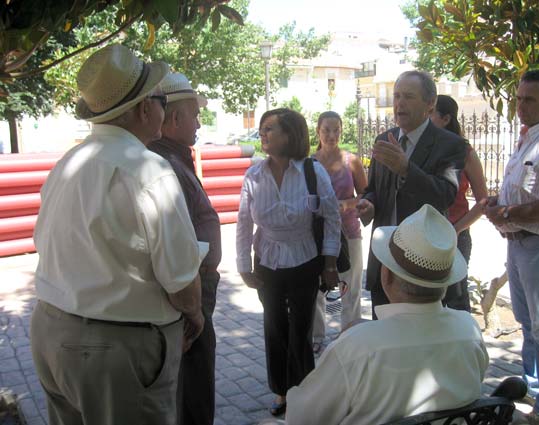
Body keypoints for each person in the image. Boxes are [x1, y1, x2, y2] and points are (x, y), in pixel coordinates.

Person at [30, 44, 208, 425]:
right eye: (160, 99)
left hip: (49, 330)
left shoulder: (67, 163)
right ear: (145, 109)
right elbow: (181, 283)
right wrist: (195, 312)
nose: (163, 109)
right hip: (116, 350)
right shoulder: (149, 170)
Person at [281, 204, 489, 425]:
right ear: (444, 284)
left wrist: (356, 339)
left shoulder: (357, 349)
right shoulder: (469, 330)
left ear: (386, 275)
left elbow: (300, 418)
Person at [236, 108, 341, 416]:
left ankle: (304, 390)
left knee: (301, 329)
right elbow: (243, 223)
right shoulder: (254, 175)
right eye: (262, 129)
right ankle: (281, 391)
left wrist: (330, 264)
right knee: (275, 326)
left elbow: (331, 217)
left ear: (290, 134)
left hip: (305, 259)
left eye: (270, 129)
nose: (263, 135)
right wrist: (243, 266)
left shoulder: (312, 171)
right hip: (267, 260)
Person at [485, 69, 539, 425]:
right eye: (518, 98)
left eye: (529, 100)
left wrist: (506, 211)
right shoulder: (528, 139)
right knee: (528, 321)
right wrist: (498, 206)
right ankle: (534, 385)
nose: (520, 106)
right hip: (517, 243)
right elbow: (524, 191)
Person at [356, 70, 467, 317]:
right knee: (384, 343)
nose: (399, 103)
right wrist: (368, 204)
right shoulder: (384, 139)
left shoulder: (450, 145)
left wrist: (407, 169)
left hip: (422, 268)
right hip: (385, 262)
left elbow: (445, 195)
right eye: (396, 96)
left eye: (408, 96)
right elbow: (372, 189)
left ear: (430, 103)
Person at [147, 72, 221, 425]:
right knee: (191, 395)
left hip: (193, 295)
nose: (199, 124)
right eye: (194, 115)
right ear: (174, 119)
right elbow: (174, 253)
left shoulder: (174, 159)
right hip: (187, 302)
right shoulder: (166, 167)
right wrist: (191, 313)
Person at [311, 111, 367, 354]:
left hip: (348, 231)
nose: (331, 135)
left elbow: (367, 194)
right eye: (326, 130)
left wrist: (347, 204)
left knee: (351, 285)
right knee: (315, 286)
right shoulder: (309, 162)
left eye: (336, 130)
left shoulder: (351, 161)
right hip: (316, 232)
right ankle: (316, 335)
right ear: (318, 132)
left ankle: (349, 335)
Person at [430, 94, 488, 311]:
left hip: (456, 236)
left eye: (430, 114)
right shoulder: (425, 150)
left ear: (445, 119)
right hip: (426, 235)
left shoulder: (465, 153)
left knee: (455, 301)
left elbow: (482, 201)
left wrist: (455, 229)